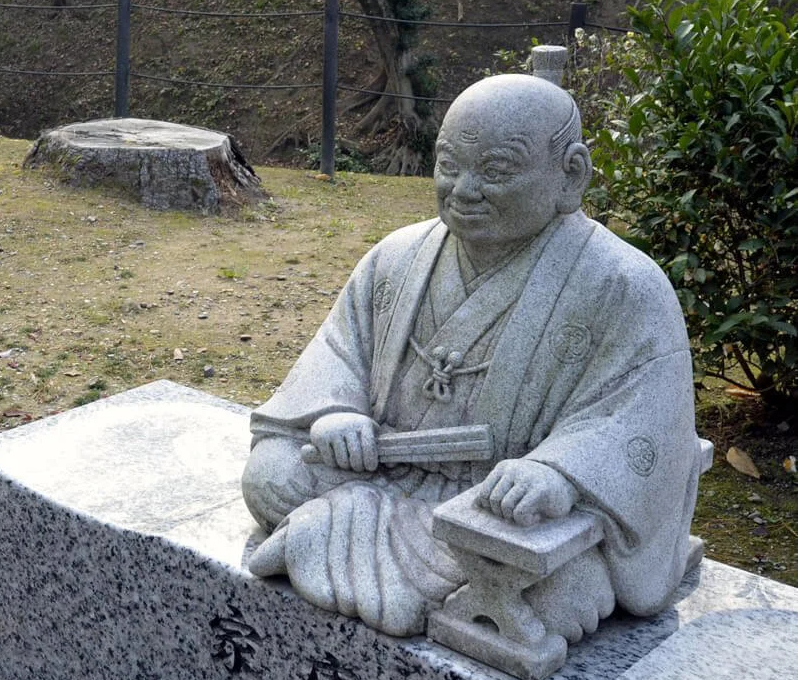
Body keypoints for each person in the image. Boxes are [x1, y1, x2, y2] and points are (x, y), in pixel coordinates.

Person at [242, 74, 703, 642]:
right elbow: (341, 349)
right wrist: (334, 414)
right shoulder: (398, 256)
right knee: (272, 476)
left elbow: (644, 413)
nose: (463, 189)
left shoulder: (622, 285)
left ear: (571, 176)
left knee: (543, 574)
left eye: (497, 172)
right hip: (384, 472)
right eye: (448, 165)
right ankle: (380, 553)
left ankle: (351, 546)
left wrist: (558, 471)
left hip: (499, 510)